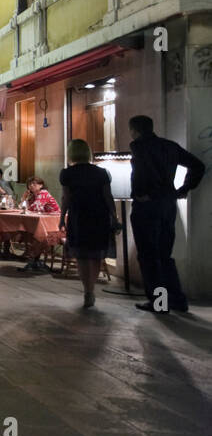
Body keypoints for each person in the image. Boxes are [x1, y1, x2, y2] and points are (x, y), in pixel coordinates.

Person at [129, 115, 205, 314]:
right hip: (167, 205)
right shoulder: (170, 146)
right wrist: (184, 188)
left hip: (147, 207)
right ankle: (178, 300)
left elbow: (140, 174)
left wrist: (142, 194)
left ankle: (160, 303)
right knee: (164, 255)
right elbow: (198, 166)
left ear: (135, 130)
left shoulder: (139, 147)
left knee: (149, 256)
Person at [59, 139, 118, 309]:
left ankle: (87, 290)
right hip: (99, 215)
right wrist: (114, 216)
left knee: (81, 254)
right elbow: (108, 196)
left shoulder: (67, 173)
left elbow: (66, 198)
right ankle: (91, 288)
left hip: (79, 215)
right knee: (96, 253)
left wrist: (62, 217)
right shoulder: (101, 172)